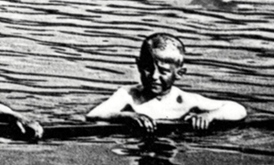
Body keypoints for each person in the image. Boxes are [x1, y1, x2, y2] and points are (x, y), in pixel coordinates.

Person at [86, 33, 248, 130]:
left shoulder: (184, 100)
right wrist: (127, 116)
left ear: (179, 73)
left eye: (163, 71)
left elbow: (238, 110)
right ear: (139, 65)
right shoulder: (129, 95)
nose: (154, 76)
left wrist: (210, 116)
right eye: (148, 69)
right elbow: (93, 115)